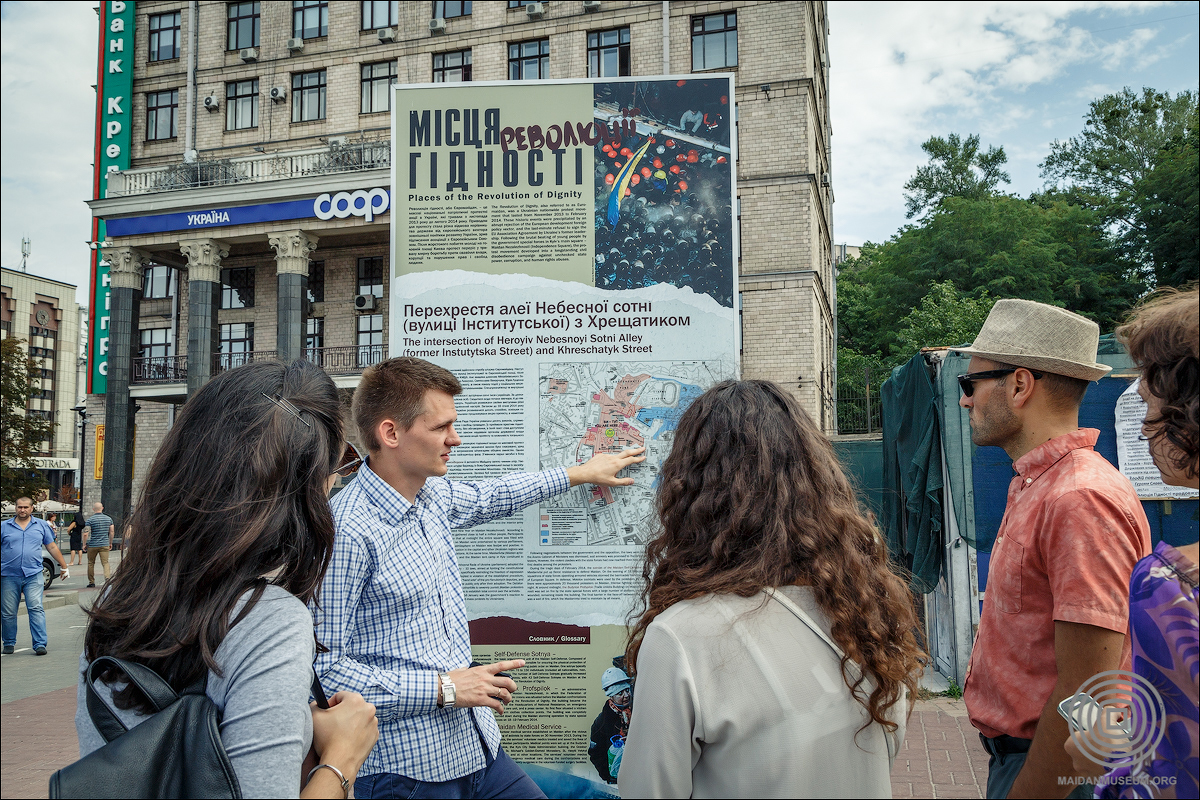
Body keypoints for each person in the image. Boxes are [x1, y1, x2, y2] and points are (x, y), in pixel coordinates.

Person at [315, 357, 646, 800]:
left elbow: (492, 496)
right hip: (408, 774)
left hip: (478, 752)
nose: (456, 438)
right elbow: (326, 670)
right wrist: (446, 688)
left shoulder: (431, 494)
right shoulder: (347, 533)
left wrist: (576, 474)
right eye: (441, 428)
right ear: (390, 433)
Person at [76, 360, 379, 798]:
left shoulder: (119, 598)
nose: (335, 483)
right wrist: (342, 757)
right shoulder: (269, 621)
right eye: (338, 464)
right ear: (301, 489)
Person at [618, 379, 925, 798]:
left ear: (690, 491)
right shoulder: (865, 610)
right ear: (818, 478)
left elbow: (648, 791)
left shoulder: (681, 638)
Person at [950, 299, 1153, 799]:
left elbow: (1089, 693)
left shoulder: (1077, 498)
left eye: (969, 384)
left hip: (1056, 774)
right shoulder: (1044, 485)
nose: (965, 401)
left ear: (1019, 385)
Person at [1064, 287, 1199, 798]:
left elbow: (1169, 779)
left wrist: (1102, 750)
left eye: (1148, 401)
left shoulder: (1171, 586)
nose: (1142, 428)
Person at [2, 497, 70, 655]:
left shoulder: (41, 525)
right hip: (8, 575)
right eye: (19, 507)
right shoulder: (4, 527)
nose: (22, 510)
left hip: (33, 574)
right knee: (8, 612)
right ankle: (9, 642)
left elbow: (51, 546)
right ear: (16, 508)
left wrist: (64, 566)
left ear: (32, 508)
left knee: (36, 608)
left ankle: (40, 644)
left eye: (26, 507)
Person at [588, 666, 633, 784]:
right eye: (620, 693)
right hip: (619, 781)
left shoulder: (639, 711)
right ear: (611, 696)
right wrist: (609, 776)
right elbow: (595, 753)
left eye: (627, 690)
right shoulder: (600, 724)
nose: (626, 695)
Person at [82, 502, 114, 588]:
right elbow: (111, 532)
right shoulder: (109, 519)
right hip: (104, 544)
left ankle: (91, 582)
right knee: (105, 562)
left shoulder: (90, 520)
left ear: (93, 509)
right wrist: (110, 542)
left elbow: (86, 533)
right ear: (102, 508)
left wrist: (84, 544)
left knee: (91, 563)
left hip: (93, 545)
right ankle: (107, 578)